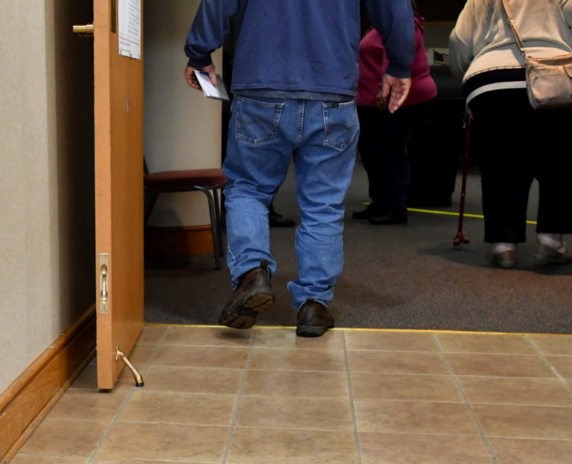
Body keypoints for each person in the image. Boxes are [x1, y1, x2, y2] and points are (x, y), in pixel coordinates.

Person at [184, 0, 414, 337]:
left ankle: (252, 272)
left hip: (261, 85)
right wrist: (400, 63)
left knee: (248, 187)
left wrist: (199, 52)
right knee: (323, 202)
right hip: (333, 90)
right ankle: (313, 305)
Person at [449, 0, 572, 269]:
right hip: (553, 78)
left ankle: (503, 245)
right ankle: (552, 240)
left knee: (499, 166)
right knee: (558, 162)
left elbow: (458, 41)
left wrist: (469, 70)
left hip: (490, 82)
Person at [354, 1, 437, 225]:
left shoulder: (406, 23)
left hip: (393, 98)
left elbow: (395, 55)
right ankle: (380, 201)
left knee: (390, 153)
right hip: (370, 100)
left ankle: (395, 206)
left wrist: (384, 88)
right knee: (373, 154)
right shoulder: (379, 24)